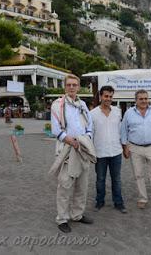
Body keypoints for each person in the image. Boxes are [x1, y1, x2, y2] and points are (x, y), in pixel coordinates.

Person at [49, 75, 96, 233]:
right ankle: (62, 218)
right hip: (67, 149)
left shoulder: (82, 104)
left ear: (78, 87)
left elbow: (90, 125)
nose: (71, 87)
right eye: (68, 85)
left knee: (82, 185)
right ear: (65, 87)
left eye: (74, 85)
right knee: (65, 185)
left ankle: (77, 214)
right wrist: (71, 141)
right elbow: (55, 129)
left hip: (82, 149)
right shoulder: (58, 105)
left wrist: (86, 139)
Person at [121, 90, 151, 212]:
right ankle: (142, 199)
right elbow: (123, 130)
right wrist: (125, 146)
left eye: (146, 98)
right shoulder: (128, 113)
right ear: (136, 100)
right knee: (138, 174)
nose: (144, 101)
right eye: (141, 99)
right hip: (135, 147)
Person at [90, 85, 127, 214]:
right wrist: (90, 153)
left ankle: (119, 203)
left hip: (116, 152)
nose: (108, 99)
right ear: (100, 96)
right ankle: (99, 202)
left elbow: (121, 131)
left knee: (116, 179)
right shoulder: (92, 114)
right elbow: (91, 134)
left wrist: (124, 146)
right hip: (99, 153)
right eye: (106, 96)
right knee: (100, 179)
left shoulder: (117, 111)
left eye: (111, 96)